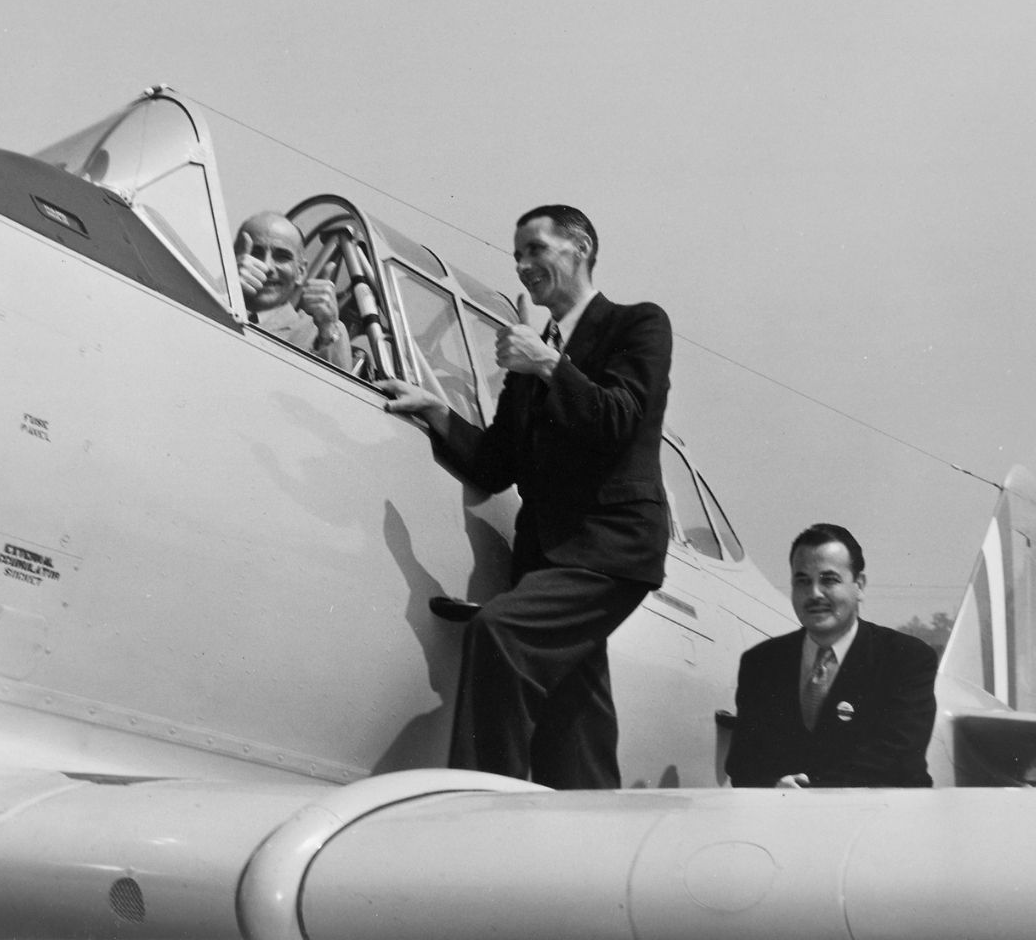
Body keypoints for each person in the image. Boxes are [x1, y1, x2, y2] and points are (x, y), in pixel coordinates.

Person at [380, 204, 672, 789]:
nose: (523, 265)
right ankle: (590, 843)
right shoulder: (533, 351)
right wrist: (436, 409)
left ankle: (478, 810)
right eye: (517, 255)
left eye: (535, 249)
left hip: (610, 551)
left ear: (581, 246)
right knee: (576, 719)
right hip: (549, 557)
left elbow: (621, 420)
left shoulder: (638, 324)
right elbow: (496, 463)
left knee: (500, 632)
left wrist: (545, 363)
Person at [725, 522, 938, 788]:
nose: (814, 593)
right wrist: (775, 787)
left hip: (883, 822)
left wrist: (811, 793)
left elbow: (896, 757)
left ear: (859, 585)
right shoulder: (760, 663)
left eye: (829, 580)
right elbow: (742, 763)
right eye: (802, 581)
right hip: (786, 822)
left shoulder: (907, 658)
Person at [234, 211, 352, 370]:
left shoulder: (315, 331)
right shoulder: (210, 303)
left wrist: (328, 329)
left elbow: (337, 392)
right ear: (235, 259)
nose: (267, 266)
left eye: (282, 256)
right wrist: (228, 289)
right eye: (256, 252)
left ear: (301, 272)